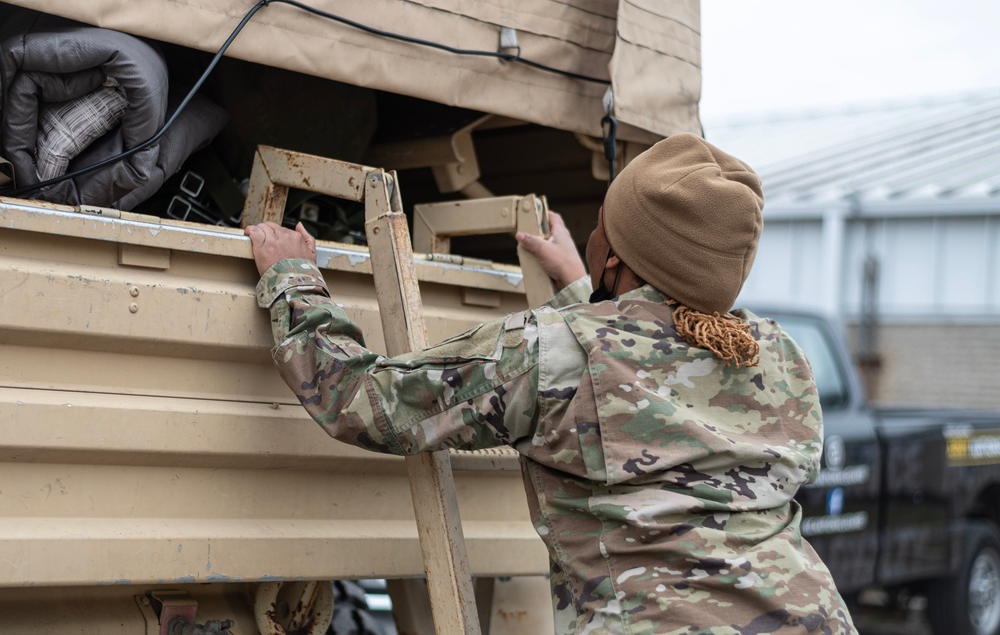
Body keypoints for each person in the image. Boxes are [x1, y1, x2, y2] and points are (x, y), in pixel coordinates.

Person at [245, 133, 856, 634]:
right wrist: (582, 286)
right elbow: (646, 376)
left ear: (613, 253)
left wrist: (293, 281)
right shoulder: (780, 355)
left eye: (603, 225)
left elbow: (363, 401)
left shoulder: (552, 350)